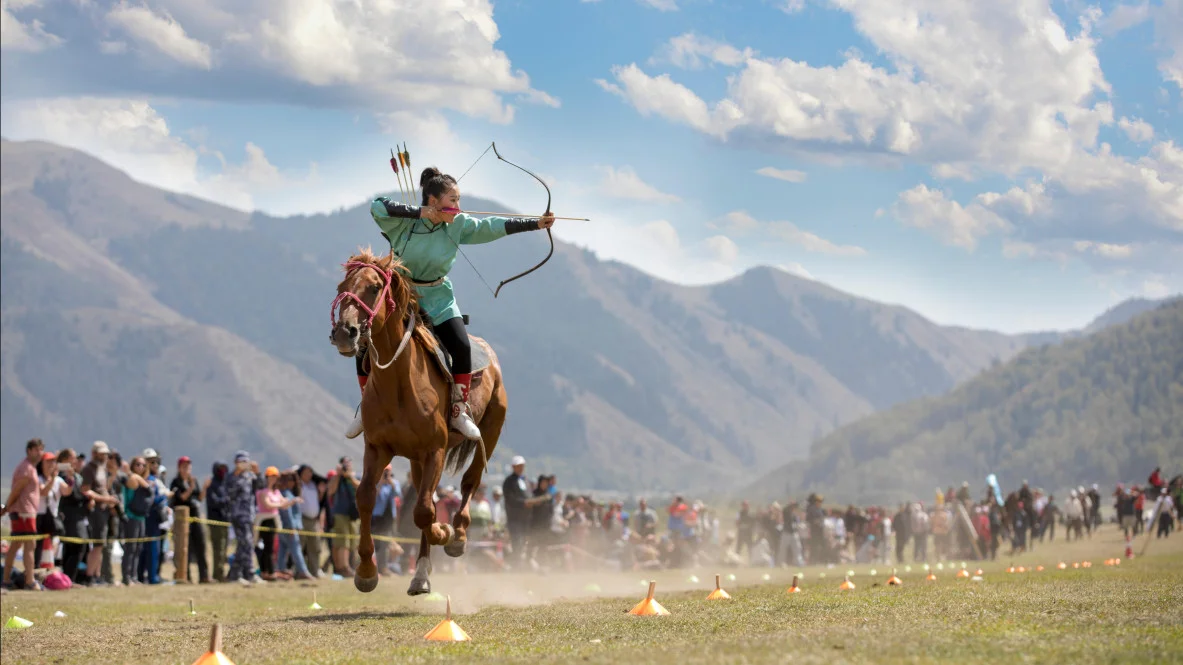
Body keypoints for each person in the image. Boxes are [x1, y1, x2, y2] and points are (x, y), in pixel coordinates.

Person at [344, 167, 557, 441]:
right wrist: (420, 214)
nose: (458, 206)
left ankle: (458, 409)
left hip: (439, 298)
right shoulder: (403, 223)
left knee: (461, 345)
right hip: (401, 297)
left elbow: (491, 226)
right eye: (453, 200)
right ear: (433, 201)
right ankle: (366, 407)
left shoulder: (458, 224)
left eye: (458, 200)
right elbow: (377, 207)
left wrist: (535, 224)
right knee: (365, 342)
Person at [3, 439, 47, 590]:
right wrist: (7, 507)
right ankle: (29, 580)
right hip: (24, 512)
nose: (40, 453)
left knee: (16, 545)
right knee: (30, 545)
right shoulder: (26, 469)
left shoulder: (31, 468)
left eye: (41, 450)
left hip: (25, 511)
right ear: (29, 450)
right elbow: (16, 490)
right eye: (37, 450)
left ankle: (7, 578)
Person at [170, 456, 209, 583]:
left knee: (201, 546)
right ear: (179, 468)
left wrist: (204, 488)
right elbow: (182, 498)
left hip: (195, 516)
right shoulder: (176, 482)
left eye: (188, 466)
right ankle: (185, 576)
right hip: (183, 520)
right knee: (184, 548)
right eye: (184, 466)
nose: (187, 469)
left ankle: (204, 576)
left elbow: (200, 498)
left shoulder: (193, 480)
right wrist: (191, 487)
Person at [226, 451, 259, 585]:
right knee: (245, 543)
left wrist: (258, 473)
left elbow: (260, 487)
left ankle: (236, 573)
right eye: (241, 461)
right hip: (237, 515)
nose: (244, 464)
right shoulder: (231, 477)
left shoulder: (250, 476)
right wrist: (237, 474)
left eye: (246, 461)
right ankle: (248, 573)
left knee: (246, 544)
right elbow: (230, 492)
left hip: (249, 515)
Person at [205, 461, 231, 582]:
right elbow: (213, 501)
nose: (223, 472)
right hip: (215, 520)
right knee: (218, 548)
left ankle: (221, 572)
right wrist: (226, 500)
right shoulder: (212, 484)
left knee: (225, 548)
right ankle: (218, 574)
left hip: (225, 520)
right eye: (220, 469)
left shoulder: (225, 484)